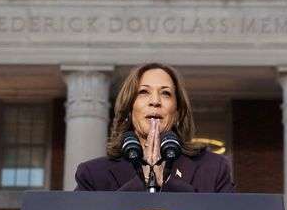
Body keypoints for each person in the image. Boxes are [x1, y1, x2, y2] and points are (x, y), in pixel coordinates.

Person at [74, 62, 235, 192]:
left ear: (177, 112)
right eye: (143, 92)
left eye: (165, 93)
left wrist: (168, 183)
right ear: (129, 108)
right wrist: (141, 182)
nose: (155, 101)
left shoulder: (213, 169)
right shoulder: (93, 175)